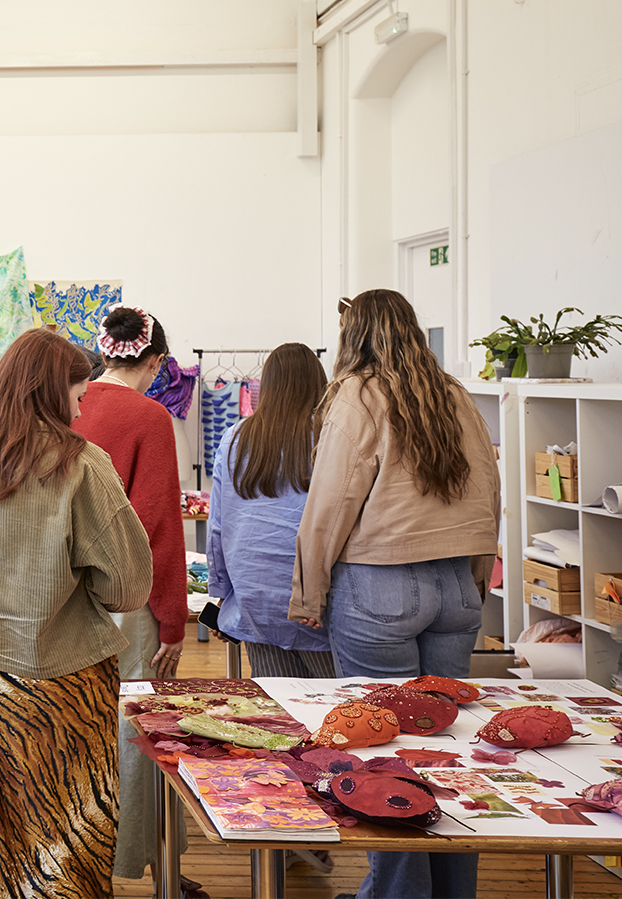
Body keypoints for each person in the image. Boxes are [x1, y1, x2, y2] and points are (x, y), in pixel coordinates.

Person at [0, 327, 151, 898]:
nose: (80, 407)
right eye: (78, 395)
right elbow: (129, 583)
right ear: (49, 390)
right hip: (62, 676)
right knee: (66, 828)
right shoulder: (81, 463)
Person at [290, 289, 499, 899]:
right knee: (445, 752)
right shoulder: (453, 393)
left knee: (383, 753)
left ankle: (397, 894)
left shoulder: (358, 394)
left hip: (381, 587)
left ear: (355, 337)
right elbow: (489, 490)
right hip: (454, 585)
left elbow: (331, 500)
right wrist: (476, 578)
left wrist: (309, 590)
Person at [69, 305, 192, 890]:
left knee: (73, 719)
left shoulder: (67, 405)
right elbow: (158, 526)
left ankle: (73, 848)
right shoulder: (149, 417)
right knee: (133, 720)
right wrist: (173, 619)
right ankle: (128, 856)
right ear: (157, 361)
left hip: (61, 595)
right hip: (125, 596)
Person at [207, 343, 336, 678]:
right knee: (334, 708)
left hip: (255, 597)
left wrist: (221, 593)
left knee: (278, 709)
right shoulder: (327, 438)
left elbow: (218, 526)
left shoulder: (235, 438)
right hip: (313, 603)